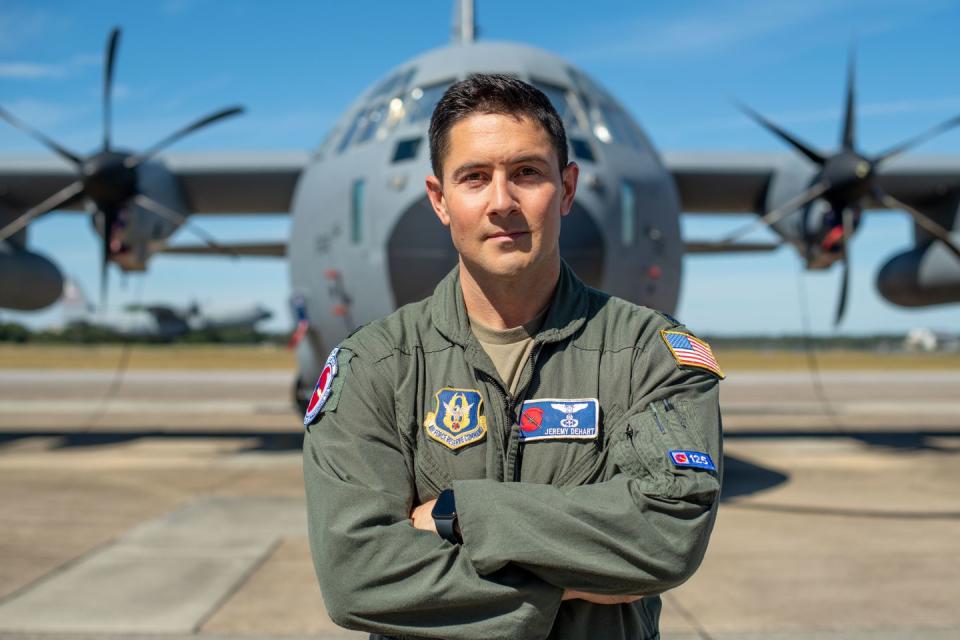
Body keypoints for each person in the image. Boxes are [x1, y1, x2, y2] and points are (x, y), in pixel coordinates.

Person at [303, 73, 723, 640]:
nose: (502, 202)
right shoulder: (376, 364)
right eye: (474, 178)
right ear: (440, 200)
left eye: (527, 173)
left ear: (567, 188)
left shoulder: (650, 354)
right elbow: (357, 578)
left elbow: (665, 540)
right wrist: (574, 579)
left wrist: (461, 514)